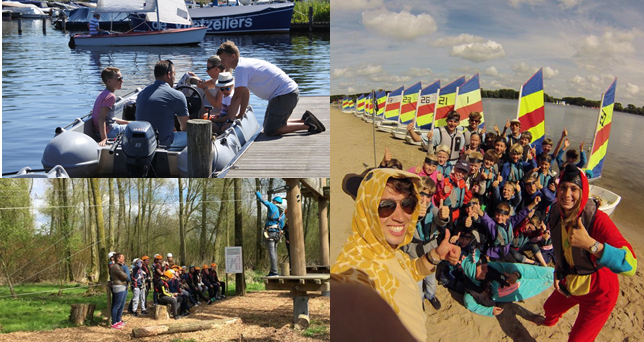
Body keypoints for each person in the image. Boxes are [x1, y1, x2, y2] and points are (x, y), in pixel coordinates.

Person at [332, 168, 461, 341]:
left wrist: (436, 255)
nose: (401, 217)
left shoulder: (387, 249)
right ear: (366, 209)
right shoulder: (353, 268)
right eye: (386, 206)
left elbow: (407, 270)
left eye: (408, 204)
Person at [535, 164, 637, 341]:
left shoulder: (597, 220)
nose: (567, 195)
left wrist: (591, 244)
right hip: (571, 281)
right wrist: (559, 270)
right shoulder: (555, 213)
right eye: (564, 188)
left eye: (574, 189)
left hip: (599, 293)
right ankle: (549, 323)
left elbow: (630, 266)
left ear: (583, 192)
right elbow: (562, 249)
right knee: (549, 308)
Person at [216, 40, 325, 135]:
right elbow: (245, 92)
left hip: (285, 95)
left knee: (270, 130)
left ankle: (308, 125)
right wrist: (240, 114)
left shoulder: (241, 68)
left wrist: (229, 121)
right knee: (269, 124)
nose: (221, 63)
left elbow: (236, 97)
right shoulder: (242, 65)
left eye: (223, 59)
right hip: (285, 94)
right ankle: (305, 120)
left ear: (233, 56)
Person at [461, 249, 554, 317]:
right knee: (543, 283)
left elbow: (508, 266)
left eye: (486, 267)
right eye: (482, 268)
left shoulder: (491, 268)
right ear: (472, 271)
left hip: (518, 275)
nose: (486, 270)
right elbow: (472, 306)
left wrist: (515, 274)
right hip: (515, 290)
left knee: (551, 273)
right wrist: (489, 311)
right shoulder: (471, 292)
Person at [135, 60, 189, 148]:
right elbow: (185, 127)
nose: (174, 78)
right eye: (174, 75)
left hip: (142, 141)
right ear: (169, 74)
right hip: (164, 142)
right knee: (198, 136)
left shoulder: (142, 94)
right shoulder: (177, 96)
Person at [91, 67, 129, 146]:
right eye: (119, 79)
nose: (122, 81)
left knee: (131, 125)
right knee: (138, 128)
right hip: (110, 132)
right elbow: (101, 118)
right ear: (109, 81)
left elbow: (109, 118)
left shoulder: (103, 93)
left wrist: (127, 122)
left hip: (99, 132)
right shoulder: (110, 96)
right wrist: (104, 138)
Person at [255, 191, 286, 277]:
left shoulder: (273, 207)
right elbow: (282, 225)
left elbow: (263, 200)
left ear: (275, 202)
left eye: (273, 201)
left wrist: (257, 193)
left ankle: (274, 272)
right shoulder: (282, 213)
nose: (273, 202)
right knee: (274, 252)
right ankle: (273, 271)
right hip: (277, 234)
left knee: (272, 252)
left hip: (271, 233)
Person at [109, 253, 128, 329]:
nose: (123, 258)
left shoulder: (119, 266)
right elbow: (125, 276)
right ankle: (114, 323)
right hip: (118, 286)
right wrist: (125, 276)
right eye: (122, 257)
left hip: (121, 286)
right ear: (118, 258)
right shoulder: (115, 267)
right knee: (116, 305)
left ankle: (118, 320)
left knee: (120, 305)